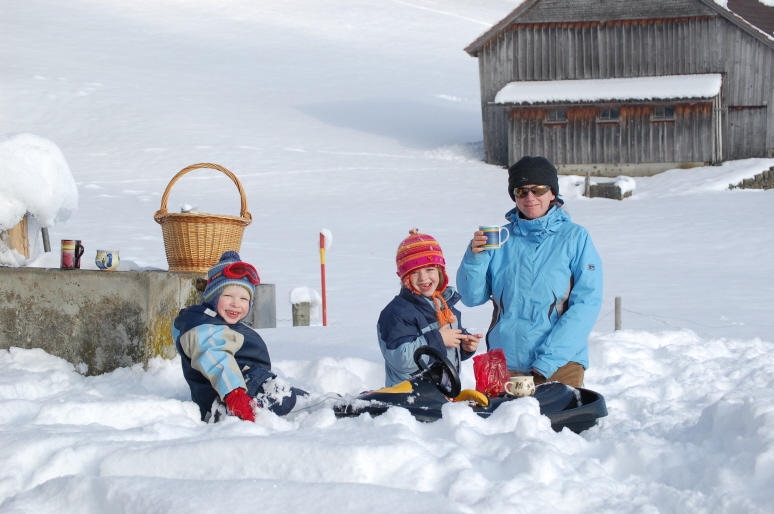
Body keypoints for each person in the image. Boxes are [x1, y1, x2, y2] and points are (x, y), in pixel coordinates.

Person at [456, 156, 602, 388]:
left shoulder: (575, 237)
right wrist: (475, 258)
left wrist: (550, 359)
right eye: (521, 191)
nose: (529, 197)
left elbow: (587, 303)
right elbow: (472, 298)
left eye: (538, 189)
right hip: (504, 362)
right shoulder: (500, 239)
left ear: (552, 193)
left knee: (557, 423)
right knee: (499, 424)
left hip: (559, 364)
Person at [173, 250, 305, 422]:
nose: (236, 304)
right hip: (227, 396)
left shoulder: (224, 325)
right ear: (213, 297)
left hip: (244, 386)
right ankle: (228, 415)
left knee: (295, 395)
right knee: (284, 396)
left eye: (244, 299)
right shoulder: (202, 326)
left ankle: (329, 406)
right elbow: (216, 360)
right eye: (228, 296)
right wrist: (235, 395)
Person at [377, 229, 483, 388]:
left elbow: (447, 348)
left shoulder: (445, 306)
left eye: (430, 269)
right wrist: (439, 339)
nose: (423, 278)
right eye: (415, 272)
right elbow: (401, 359)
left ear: (440, 272)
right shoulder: (397, 313)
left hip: (441, 393)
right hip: (409, 396)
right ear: (405, 278)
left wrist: (463, 346)